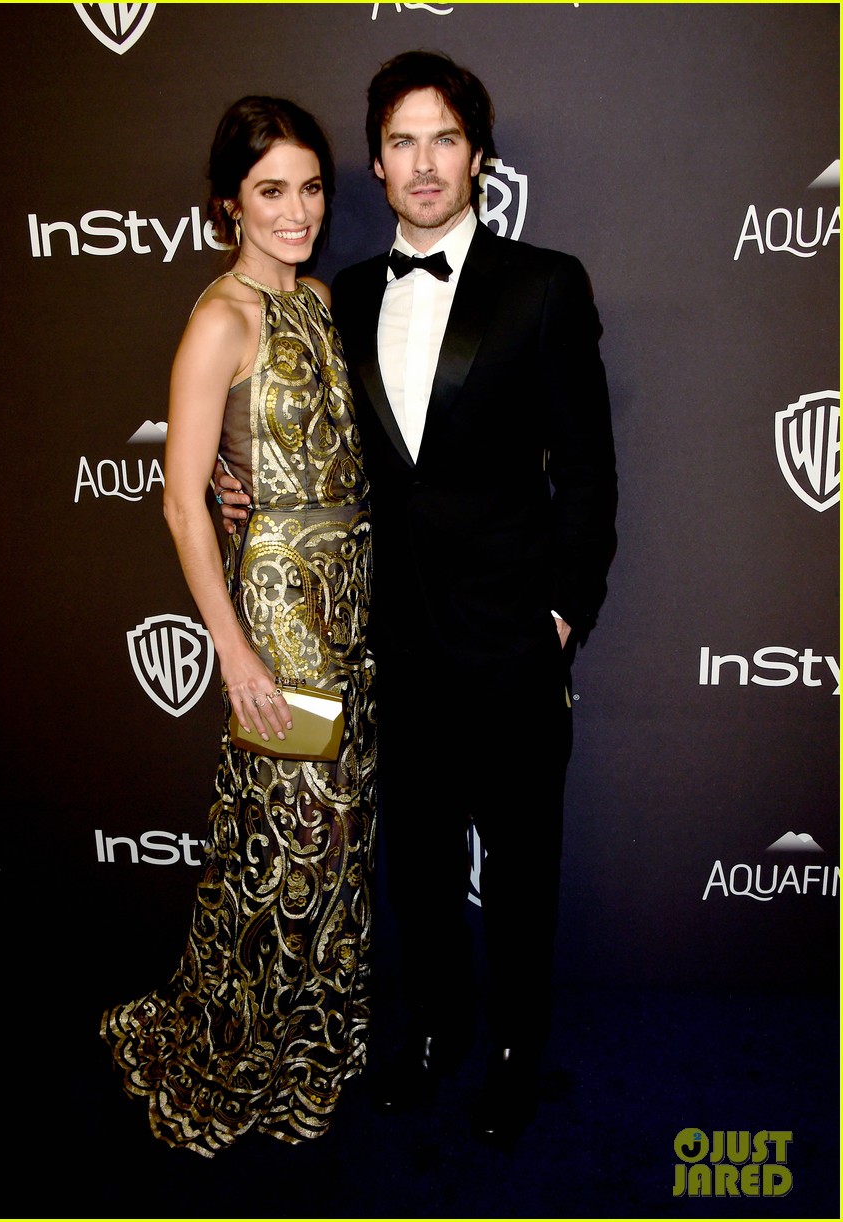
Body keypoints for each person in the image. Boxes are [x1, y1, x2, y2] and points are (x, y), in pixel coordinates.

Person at [216, 49, 617, 1147]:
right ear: (378, 165)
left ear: (478, 156)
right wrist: (233, 479)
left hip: (512, 641)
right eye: (403, 141)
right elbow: (296, 439)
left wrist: (561, 612)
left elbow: (587, 468)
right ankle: (436, 1033)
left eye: (445, 138)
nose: (425, 163)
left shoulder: (545, 283)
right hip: (389, 643)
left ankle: (514, 1053)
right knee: (420, 867)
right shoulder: (340, 297)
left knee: (522, 871)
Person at [101, 95, 377, 1156]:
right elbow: (182, 501)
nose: (297, 212)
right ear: (229, 202)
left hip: (349, 605)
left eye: (311, 189)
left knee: (334, 843)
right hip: (280, 620)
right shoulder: (220, 319)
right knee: (292, 839)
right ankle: (244, 1047)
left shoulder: (318, 300)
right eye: (271, 191)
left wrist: (242, 487)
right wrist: (233, 649)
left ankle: (311, 1044)